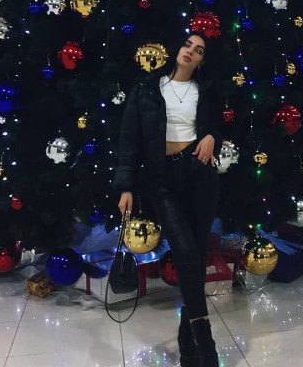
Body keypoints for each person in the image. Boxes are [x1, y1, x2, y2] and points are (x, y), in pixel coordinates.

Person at [114, 33, 223, 367]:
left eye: (198, 50)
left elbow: (220, 124)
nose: (190, 52)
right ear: (178, 49)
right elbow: (129, 138)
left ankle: (187, 345)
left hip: (199, 174)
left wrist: (211, 135)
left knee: (197, 256)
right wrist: (125, 185)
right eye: (188, 45)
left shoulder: (206, 90)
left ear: (202, 60)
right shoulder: (147, 89)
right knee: (186, 252)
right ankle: (205, 342)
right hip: (161, 179)